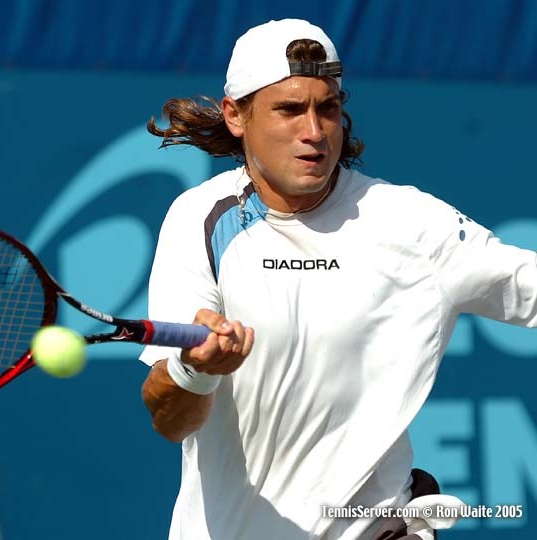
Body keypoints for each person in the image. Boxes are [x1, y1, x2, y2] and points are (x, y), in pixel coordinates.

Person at [139, 18, 536, 540]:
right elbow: (170, 419)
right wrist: (197, 370)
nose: (314, 130)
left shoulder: (412, 224)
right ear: (236, 115)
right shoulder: (199, 219)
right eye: (288, 109)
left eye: (327, 108)